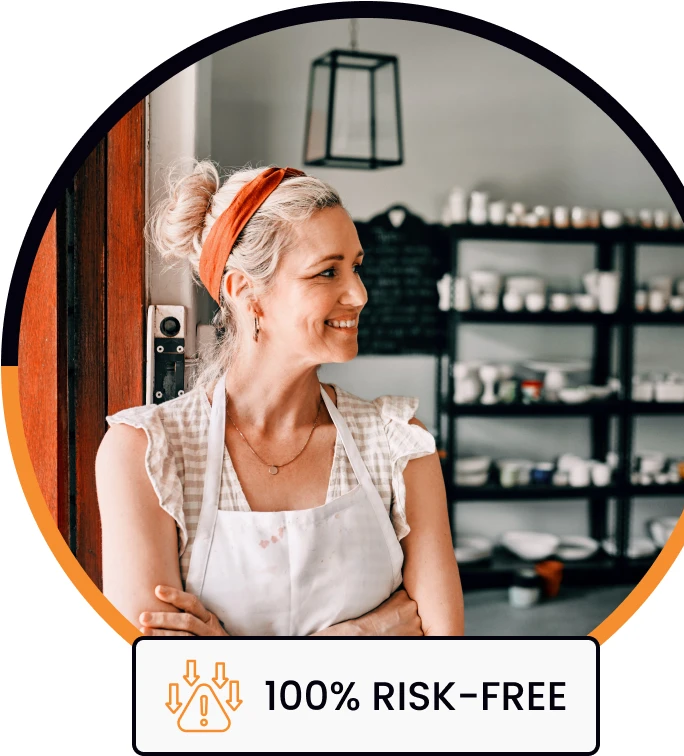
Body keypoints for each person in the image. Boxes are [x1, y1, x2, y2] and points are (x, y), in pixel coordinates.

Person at [96, 162, 464, 637]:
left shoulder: (399, 445)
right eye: (326, 272)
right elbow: (162, 689)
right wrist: (359, 636)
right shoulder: (147, 452)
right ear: (246, 293)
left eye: (356, 267)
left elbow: (443, 666)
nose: (360, 294)